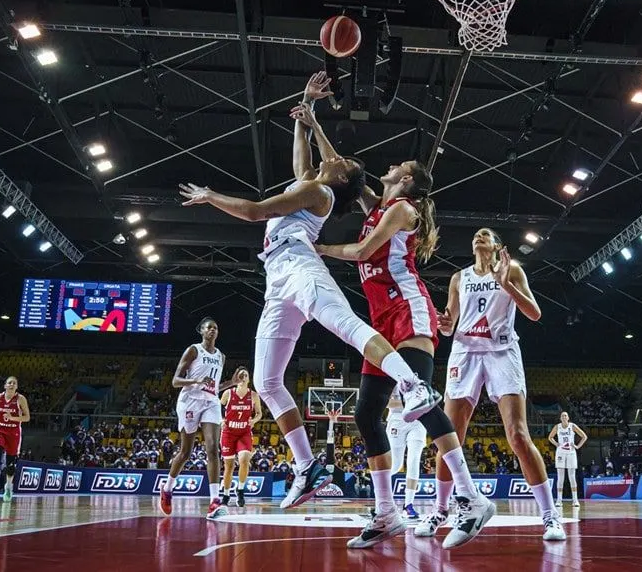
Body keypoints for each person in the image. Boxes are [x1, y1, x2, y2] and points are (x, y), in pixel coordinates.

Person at [179, 74, 440, 511]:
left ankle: (413, 385)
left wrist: (211, 195)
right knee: (266, 381)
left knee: (348, 326)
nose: (331, 157)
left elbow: (254, 211)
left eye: (339, 160)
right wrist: (306, 109)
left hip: (301, 266)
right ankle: (308, 467)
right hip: (277, 278)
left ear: (338, 176)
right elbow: (305, 157)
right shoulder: (310, 184)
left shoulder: (319, 191)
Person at [310, 102, 495, 549]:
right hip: (382, 320)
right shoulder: (379, 205)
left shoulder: (403, 210)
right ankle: (386, 513)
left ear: (407, 180)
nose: (391, 166)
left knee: (420, 402)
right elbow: (343, 172)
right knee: (366, 413)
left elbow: (361, 252)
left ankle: (472, 499)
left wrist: (318, 249)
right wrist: (312, 121)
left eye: (399, 166)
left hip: (408, 311)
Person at [417, 228, 566, 541]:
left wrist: (506, 284)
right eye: (475, 234)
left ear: (498, 245)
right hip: (465, 352)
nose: (478, 236)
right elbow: (449, 325)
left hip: (502, 352)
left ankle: (551, 516)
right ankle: (440, 510)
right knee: (449, 437)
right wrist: (445, 325)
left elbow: (535, 313)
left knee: (518, 436)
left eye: (486, 234)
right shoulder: (459, 278)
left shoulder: (512, 270)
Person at [159, 317, 230, 520]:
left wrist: (231, 383)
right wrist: (196, 380)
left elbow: (214, 386)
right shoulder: (193, 350)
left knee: (213, 448)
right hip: (189, 401)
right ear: (201, 331)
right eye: (209, 327)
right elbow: (175, 381)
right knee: (185, 452)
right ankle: (167, 488)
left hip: (211, 402)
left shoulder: (221, 356)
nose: (213, 330)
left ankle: (214, 501)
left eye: (215, 327)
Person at [0, 376, 30, 503]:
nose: (12, 384)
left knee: (10, 463)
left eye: (14, 383)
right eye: (9, 383)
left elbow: (27, 417)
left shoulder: (20, 399)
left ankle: (8, 487)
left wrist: (12, 418)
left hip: (14, 432)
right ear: (5, 386)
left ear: (16, 387)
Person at [219, 366, 263, 507]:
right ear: (237, 378)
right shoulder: (228, 393)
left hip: (244, 432)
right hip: (229, 433)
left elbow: (259, 414)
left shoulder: (254, 395)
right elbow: (217, 407)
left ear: (249, 379)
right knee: (229, 466)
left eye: (246, 375)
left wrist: (254, 420)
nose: (243, 378)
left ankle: (240, 490)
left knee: (244, 460)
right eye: (241, 375)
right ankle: (226, 495)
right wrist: (221, 419)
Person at [385, 388, 428, 520]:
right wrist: (411, 402)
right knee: (395, 466)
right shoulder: (392, 377)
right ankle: (383, 500)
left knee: (414, 460)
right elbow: (387, 403)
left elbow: (427, 399)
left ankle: (408, 505)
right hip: (397, 420)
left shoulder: (421, 376)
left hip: (419, 421)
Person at [548, 411, 587, 508]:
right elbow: (550, 437)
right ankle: (559, 500)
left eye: (565, 415)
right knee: (560, 477)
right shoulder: (557, 427)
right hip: (560, 453)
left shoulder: (572, 426)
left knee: (572, 477)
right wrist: (556, 444)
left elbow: (584, 436)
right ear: (560, 418)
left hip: (571, 453)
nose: (564, 417)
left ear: (568, 418)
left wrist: (577, 446)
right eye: (562, 416)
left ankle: (575, 500)